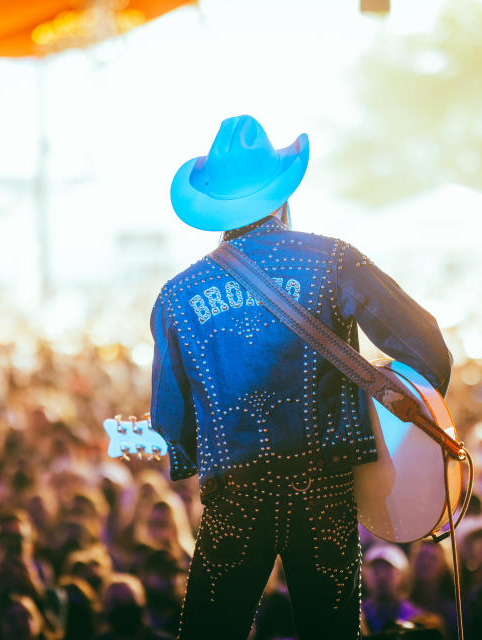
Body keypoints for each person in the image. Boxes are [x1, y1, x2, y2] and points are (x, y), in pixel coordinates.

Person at [150, 114, 452, 639]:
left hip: (235, 493)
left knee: (209, 630)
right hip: (325, 485)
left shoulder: (177, 296)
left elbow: (170, 421)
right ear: (283, 198)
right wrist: (390, 428)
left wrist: (211, 458)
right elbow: (426, 348)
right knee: (331, 629)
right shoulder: (332, 260)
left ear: (216, 210)